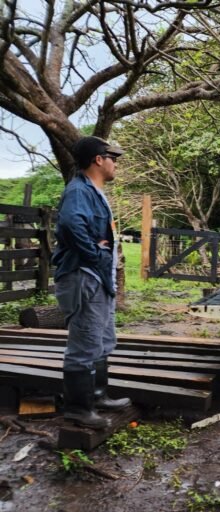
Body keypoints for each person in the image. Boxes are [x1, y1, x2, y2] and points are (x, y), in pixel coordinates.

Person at [53, 136, 132, 428]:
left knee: (101, 339)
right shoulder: (78, 191)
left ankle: (97, 396)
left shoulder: (93, 191)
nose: (115, 163)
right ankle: (77, 408)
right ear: (98, 159)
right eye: (113, 158)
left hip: (99, 279)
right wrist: (94, 254)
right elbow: (71, 225)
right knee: (84, 341)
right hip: (84, 277)